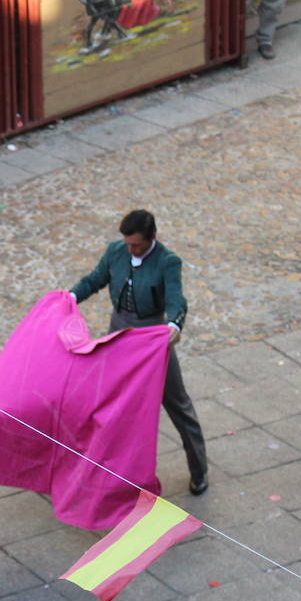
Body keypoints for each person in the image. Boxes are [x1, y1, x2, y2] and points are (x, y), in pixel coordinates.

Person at [69, 209, 209, 495]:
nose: (131, 249)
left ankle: (199, 471)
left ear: (152, 238)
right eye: (128, 243)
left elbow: (175, 298)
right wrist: (70, 297)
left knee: (178, 405)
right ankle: (109, 475)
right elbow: (95, 280)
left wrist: (173, 324)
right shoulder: (116, 251)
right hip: (119, 333)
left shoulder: (168, 261)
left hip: (151, 339)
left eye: (137, 245)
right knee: (111, 406)